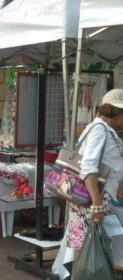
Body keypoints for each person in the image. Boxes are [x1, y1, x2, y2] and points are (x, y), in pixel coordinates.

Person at [53, 89, 123, 279]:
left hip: (91, 201)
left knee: (86, 250)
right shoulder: (99, 130)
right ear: (115, 112)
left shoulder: (103, 129)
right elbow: (88, 168)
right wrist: (97, 204)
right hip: (92, 202)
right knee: (88, 250)